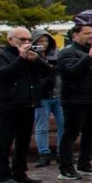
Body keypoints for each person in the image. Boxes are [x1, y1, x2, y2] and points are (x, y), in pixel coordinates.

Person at [0, 28, 52, 183]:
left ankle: (19, 172)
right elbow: (3, 75)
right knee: (5, 142)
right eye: (22, 39)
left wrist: (36, 60)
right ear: (11, 40)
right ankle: (4, 175)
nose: (27, 43)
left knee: (24, 140)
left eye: (29, 40)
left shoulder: (29, 56)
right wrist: (21, 58)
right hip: (8, 104)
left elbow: (47, 72)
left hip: (28, 102)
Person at [55, 23, 92, 181]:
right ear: (75, 35)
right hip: (75, 100)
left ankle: (85, 163)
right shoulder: (68, 52)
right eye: (87, 33)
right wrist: (90, 58)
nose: (91, 36)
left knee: (90, 133)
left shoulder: (90, 52)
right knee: (71, 133)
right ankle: (66, 167)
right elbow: (70, 72)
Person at [29, 35, 63, 168]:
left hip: (57, 93)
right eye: (40, 41)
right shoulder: (31, 56)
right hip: (42, 96)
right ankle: (44, 154)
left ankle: (62, 152)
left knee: (63, 125)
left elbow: (60, 70)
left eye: (46, 41)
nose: (44, 44)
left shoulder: (55, 54)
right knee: (41, 127)